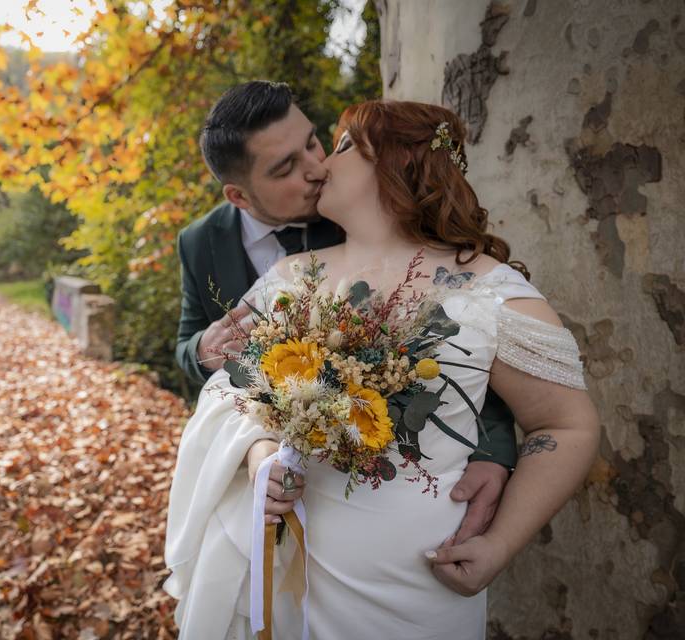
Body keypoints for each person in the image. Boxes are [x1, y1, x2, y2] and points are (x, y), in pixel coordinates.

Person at [164, 97, 600, 638]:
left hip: (419, 583)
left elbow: (566, 425)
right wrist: (256, 455)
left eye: (342, 146)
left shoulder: (492, 295)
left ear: (395, 163)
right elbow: (230, 392)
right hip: (289, 566)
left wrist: (501, 542)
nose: (322, 163)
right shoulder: (287, 279)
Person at [174, 82, 516, 549]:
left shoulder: (361, 201)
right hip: (274, 481)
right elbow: (188, 345)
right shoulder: (200, 243)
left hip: (396, 500)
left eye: (312, 142)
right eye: (286, 167)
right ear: (239, 195)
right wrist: (205, 350)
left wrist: (494, 450)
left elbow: (463, 334)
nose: (317, 167)